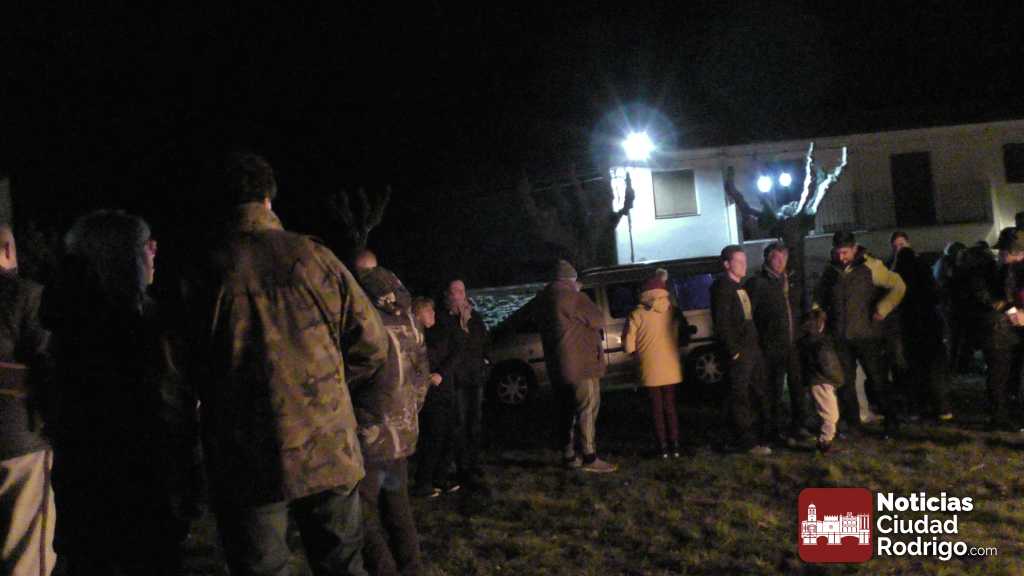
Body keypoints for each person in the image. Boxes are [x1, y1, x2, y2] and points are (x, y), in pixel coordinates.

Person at [194, 153, 388, 576]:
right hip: (327, 443)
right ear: (268, 199)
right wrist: (332, 388)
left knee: (262, 567)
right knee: (342, 564)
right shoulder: (315, 259)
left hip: (248, 455)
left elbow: (185, 370)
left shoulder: (207, 272)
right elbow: (373, 343)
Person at [41, 211, 198, 574]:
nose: (154, 251)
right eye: (144, 244)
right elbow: (163, 411)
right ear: (116, 256)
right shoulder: (126, 327)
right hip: (135, 493)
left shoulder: (68, 320)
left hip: (93, 495)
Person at [352, 266, 430, 576]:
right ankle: (412, 569)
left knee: (362, 514)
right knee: (398, 508)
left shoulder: (362, 322)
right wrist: (410, 412)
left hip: (371, 437)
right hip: (402, 433)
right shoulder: (410, 320)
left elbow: (351, 377)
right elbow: (422, 373)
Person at [0, 224, 56, 575]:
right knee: (24, 558)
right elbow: (50, 371)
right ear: (7, 249)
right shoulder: (26, 296)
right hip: (18, 448)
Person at [525, 259, 617, 472]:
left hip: (557, 365)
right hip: (582, 364)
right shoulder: (574, 297)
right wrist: (578, 292)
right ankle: (590, 457)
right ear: (571, 279)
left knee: (565, 410)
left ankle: (568, 454)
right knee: (587, 409)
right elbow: (598, 319)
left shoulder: (543, 300)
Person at [814, 231, 905, 437]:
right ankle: (853, 424)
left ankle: (891, 422)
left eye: (845, 252)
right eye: (838, 253)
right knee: (846, 384)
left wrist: (883, 308)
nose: (841, 257)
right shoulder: (830, 271)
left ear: (854, 249)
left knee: (877, 380)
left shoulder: (871, 266)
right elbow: (819, 294)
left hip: (867, 336)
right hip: (841, 337)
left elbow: (898, 285)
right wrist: (818, 311)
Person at [744, 241, 811, 441]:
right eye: (776, 257)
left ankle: (799, 425)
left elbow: (803, 307)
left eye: (784, 257)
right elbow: (750, 316)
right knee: (773, 389)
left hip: (794, 343)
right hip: (771, 346)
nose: (781, 262)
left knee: (797, 387)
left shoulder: (791, 280)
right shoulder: (758, 283)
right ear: (768, 258)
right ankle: (773, 428)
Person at [710, 245, 772, 455]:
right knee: (740, 396)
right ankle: (745, 441)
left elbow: (747, 319)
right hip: (741, 353)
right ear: (727, 264)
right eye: (739, 261)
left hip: (751, 350)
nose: (744, 265)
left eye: (744, 261)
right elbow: (722, 322)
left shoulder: (739, 287)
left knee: (754, 393)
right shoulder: (722, 288)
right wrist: (734, 351)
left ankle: (753, 435)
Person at [433, 279, 491, 490]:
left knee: (474, 423)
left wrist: (486, 360)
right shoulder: (443, 318)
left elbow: (484, 340)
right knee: (459, 423)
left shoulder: (474, 317)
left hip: (475, 377)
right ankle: (462, 466)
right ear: (448, 294)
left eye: (462, 291)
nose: (459, 294)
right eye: (455, 291)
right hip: (457, 379)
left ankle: (473, 463)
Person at [965, 227, 1024, 430]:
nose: (1002, 254)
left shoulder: (1005, 268)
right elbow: (996, 297)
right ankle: (1000, 417)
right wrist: (1012, 310)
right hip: (999, 332)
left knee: (1007, 377)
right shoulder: (997, 269)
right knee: (1000, 376)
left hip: (1007, 331)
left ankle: (1005, 414)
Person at [624, 273, 683, 458]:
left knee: (656, 408)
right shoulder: (672, 311)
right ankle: (675, 445)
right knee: (670, 406)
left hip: (649, 366)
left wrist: (636, 356)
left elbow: (628, 345)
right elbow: (680, 334)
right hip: (671, 364)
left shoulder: (636, 314)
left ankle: (662, 447)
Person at [891, 243, 953, 420]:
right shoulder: (925, 274)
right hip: (930, 324)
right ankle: (942, 407)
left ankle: (916, 407)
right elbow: (936, 295)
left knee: (914, 368)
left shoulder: (898, 278)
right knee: (935, 368)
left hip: (909, 326)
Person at [411, 297, 461, 497]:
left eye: (432, 310)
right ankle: (423, 481)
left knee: (449, 435)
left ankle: (440, 477)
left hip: (446, 391)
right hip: (430, 395)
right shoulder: (414, 338)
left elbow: (455, 352)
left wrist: (442, 372)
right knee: (432, 437)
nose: (433, 314)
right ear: (417, 314)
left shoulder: (440, 332)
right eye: (428, 311)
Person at [798, 309, 845, 454]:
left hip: (815, 380)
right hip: (823, 381)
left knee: (823, 412)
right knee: (831, 414)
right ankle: (825, 442)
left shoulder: (805, 342)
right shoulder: (821, 344)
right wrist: (838, 379)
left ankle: (823, 439)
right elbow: (828, 366)